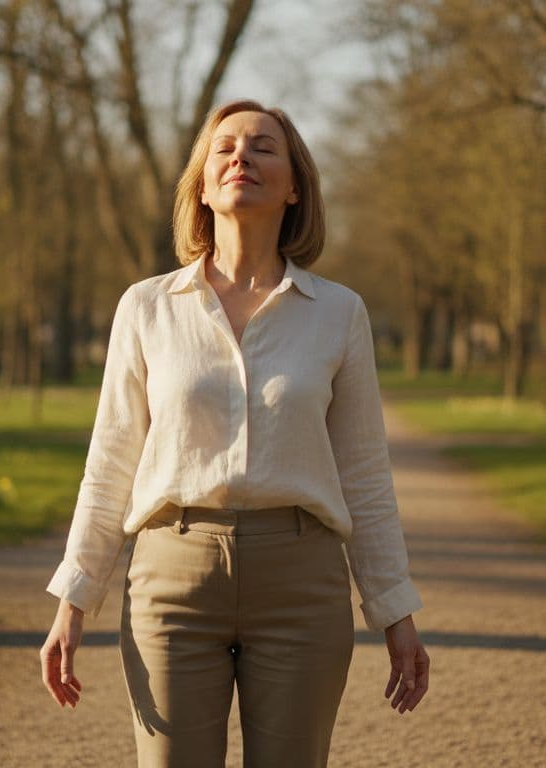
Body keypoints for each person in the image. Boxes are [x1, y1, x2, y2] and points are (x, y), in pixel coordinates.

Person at [40, 98, 429, 767]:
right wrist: (73, 600)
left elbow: (364, 474)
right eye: (224, 148)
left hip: (301, 584)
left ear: (295, 186)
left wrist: (394, 610)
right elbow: (110, 463)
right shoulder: (146, 308)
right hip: (171, 581)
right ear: (201, 185)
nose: (241, 156)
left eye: (262, 146)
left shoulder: (339, 313)